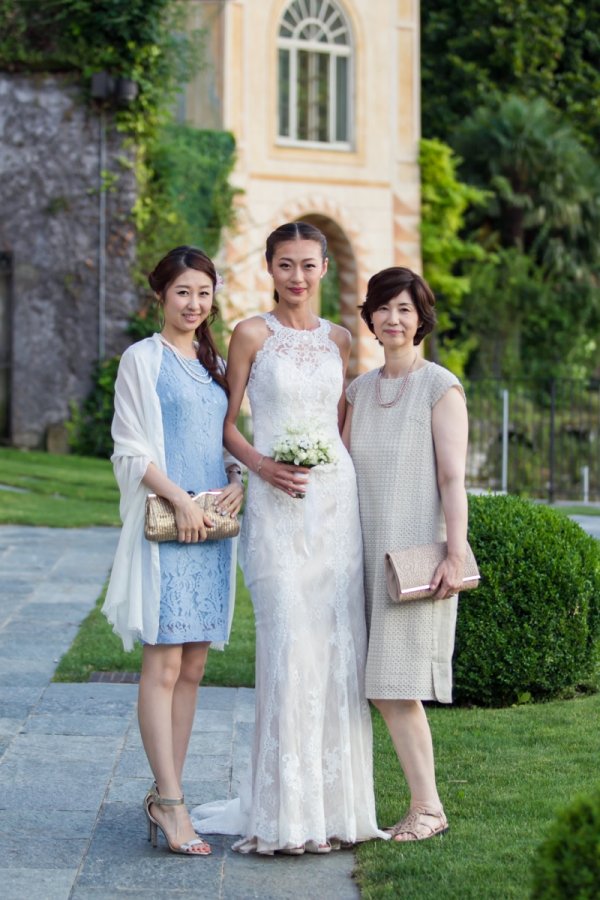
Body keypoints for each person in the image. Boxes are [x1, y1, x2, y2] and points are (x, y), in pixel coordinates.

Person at [192, 221, 386, 854]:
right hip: (276, 510)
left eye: (307, 265)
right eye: (284, 265)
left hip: (334, 504)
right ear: (268, 269)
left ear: (325, 268)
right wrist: (261, 467)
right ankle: (283, 812)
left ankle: (335, 809)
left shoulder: (339, 338)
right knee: (287, 642)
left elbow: (340, 423)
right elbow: (224, 424)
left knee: (335, 646)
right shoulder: (249, 334)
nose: (296, 277)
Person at [102, 246, 243, 856]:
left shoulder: (214, 362)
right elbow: (130, 448)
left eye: (204, 293)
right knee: (162, 665)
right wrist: (181, 501)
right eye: (183, 292)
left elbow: (223, 435)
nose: (194, 304)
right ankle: (172, 801)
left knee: (194, 667)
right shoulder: (143, 360)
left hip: (211, 529)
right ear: (161, 295)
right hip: (170, 527)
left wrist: (236, 477)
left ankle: (170, 794)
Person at [342, 266, 469, 842]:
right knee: (366, 684)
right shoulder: (358, 391)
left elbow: (451, 478)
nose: (394, 319)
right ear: (369, 317)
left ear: (421, 320)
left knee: (396, 686)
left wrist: (455, 550)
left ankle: (429, 808)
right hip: (355, 554)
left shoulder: (440, 386)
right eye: (384, 308)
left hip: (413, 554)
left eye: (405, 309)